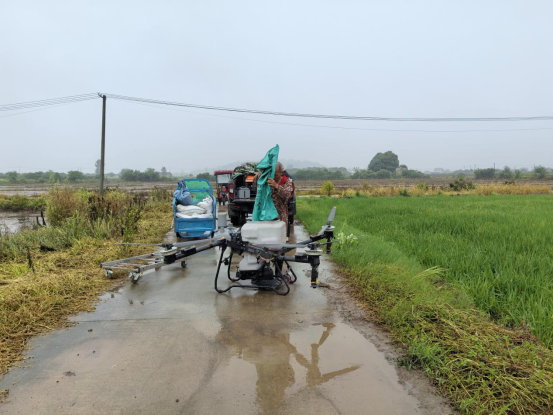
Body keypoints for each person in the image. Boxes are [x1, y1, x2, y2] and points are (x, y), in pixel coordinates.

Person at [267, 162, 293, 226]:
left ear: (281, 173)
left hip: (280, 218)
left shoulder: (286, 182)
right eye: (271, 174)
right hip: (267, 218)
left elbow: (286, 195)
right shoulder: (266, 181)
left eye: (275, 175)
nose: (273, 177)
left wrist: (276, 186)